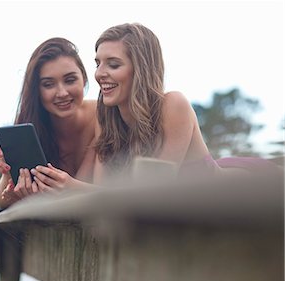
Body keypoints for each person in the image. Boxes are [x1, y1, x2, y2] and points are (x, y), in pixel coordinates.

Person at [88, 22, 281, 181]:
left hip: (248, 187)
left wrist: (77, 189)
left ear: (141, 70)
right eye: (98, 64)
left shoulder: (173, 104)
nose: (99, 74)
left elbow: (152, 191)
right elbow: (103, 189)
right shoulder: (105, 116)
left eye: (113, 64)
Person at [0, 37, 98, 208]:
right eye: (48, 84)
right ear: (37, 90)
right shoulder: (29, 127)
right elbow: (1, 202)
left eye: (70, 80)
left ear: (84, 80)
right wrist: (8, 175)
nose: (62, 92)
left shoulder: (103, 117)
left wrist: (71, 188)